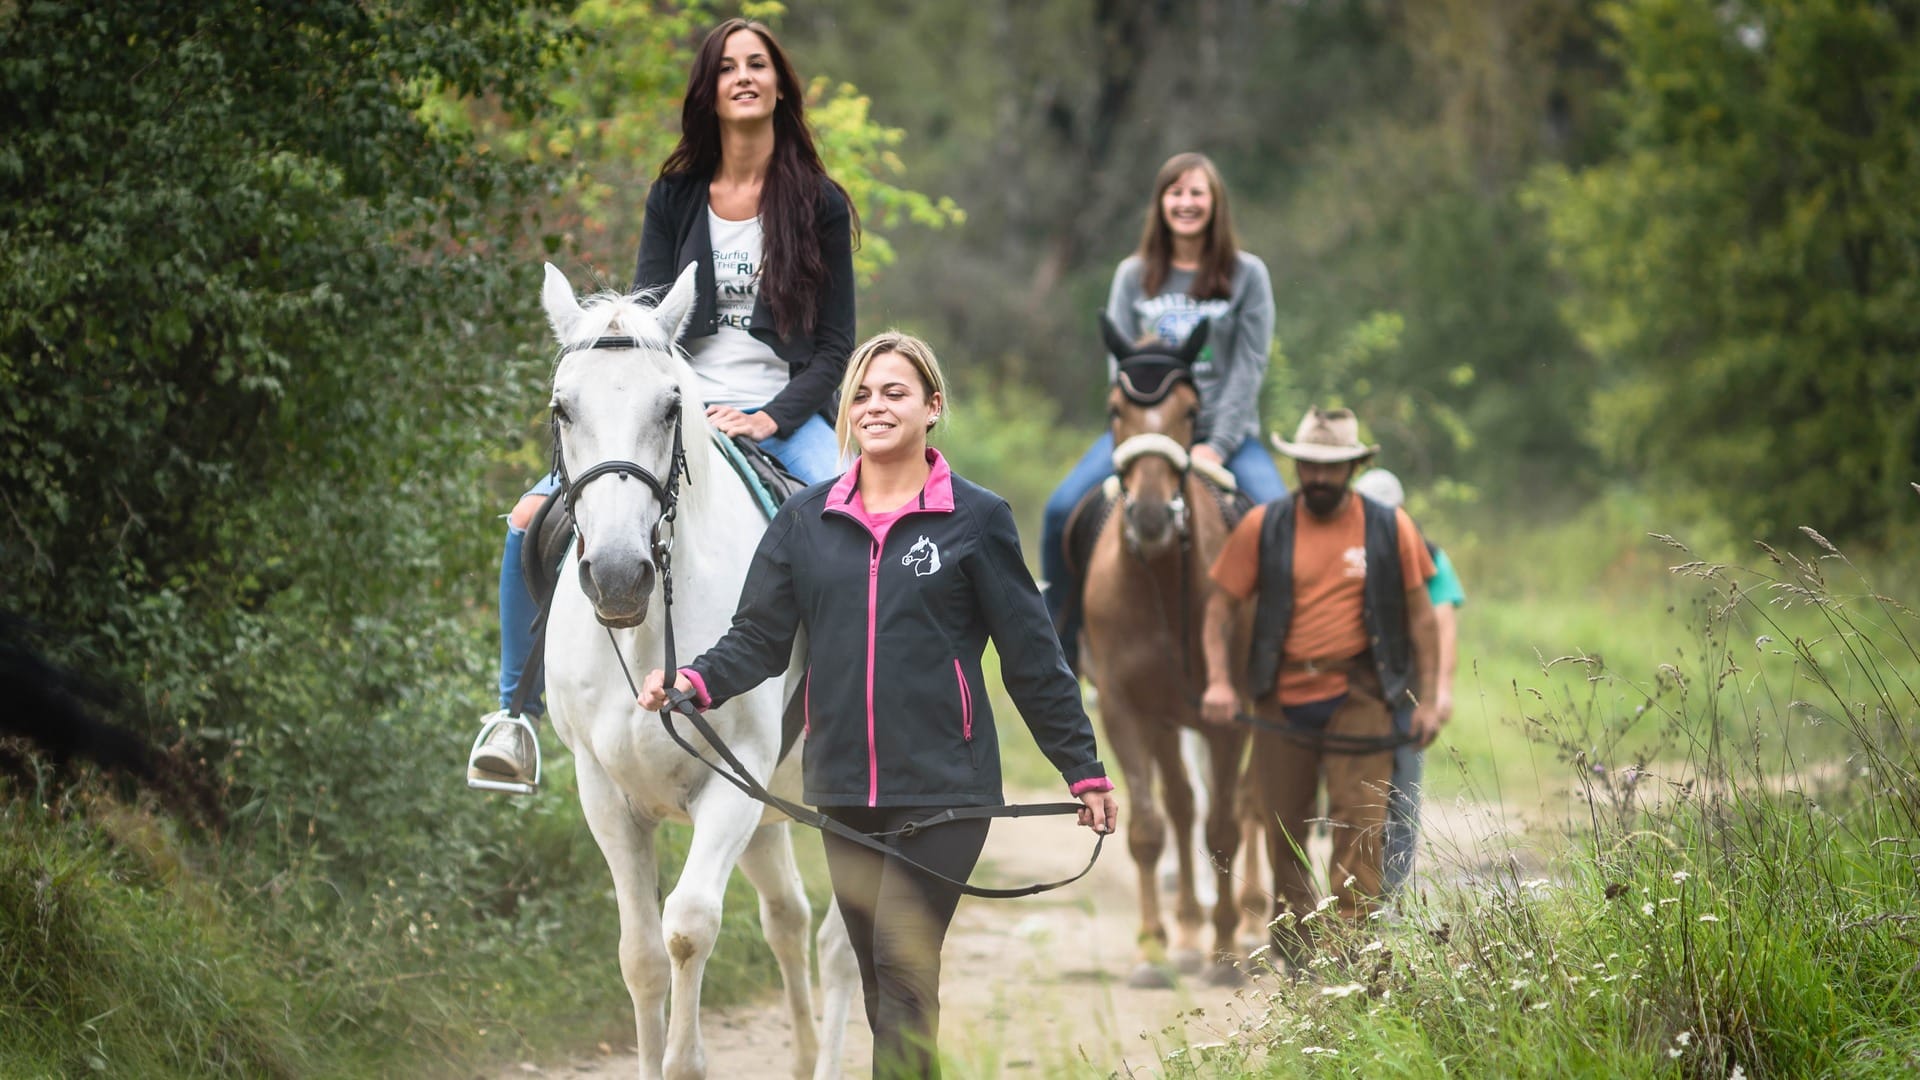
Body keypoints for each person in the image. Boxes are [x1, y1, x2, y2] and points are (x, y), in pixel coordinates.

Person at [638, 332, 1118, 1079]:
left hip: (945, 789)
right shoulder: (805, 520)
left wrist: (1081, 769)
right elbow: (759, 639)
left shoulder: (976, 519)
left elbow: (1031, 656)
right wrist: (694, 683)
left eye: (895, 392)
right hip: (844, 791)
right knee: (879, 983)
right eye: (861, 393)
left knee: (903, 964)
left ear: (933, 407)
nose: (874, 406)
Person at [470, 18, 858, 788]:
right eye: (727, 67)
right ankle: (515, 715)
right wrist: (675, 400)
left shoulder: (818, 202)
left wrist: (770, 417)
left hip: (782, 411)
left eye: (758, 64)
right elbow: (647, 323)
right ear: (708, 90)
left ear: (779, 85)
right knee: (526, 523)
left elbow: (836, 348)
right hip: (669, 407)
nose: (743, 76)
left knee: (848, 535)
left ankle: (841, 724)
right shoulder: (675, 195)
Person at [1198, 407, 1440, 968]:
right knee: (1282, 831)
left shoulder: (1389, 527)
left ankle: (1350, 960)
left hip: (1362, 697)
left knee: (1360, 829)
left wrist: (1430, 696)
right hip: (1280, 699)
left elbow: (1423, 617)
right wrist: (1217, 681)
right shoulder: (1265, 526)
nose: (1320, 477)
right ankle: (1301, 953)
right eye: (1309, 465)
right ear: (1296, 465)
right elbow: (1219, 609)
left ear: (1356, 466)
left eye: (1332, 467)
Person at [1041, 152, 1286, 672]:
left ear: (1215, 202)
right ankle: (1065, 641)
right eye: (1176, 193)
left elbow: (1250, 365)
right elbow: (1119, 368)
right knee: (1061, 510)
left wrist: (1215, 443)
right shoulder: (1134, 275)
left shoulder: (1248, 275)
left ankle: (1280, 652)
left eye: (1197, 192)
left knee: (1278, 518)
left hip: (1223, 435)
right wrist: (1138, 436)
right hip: (1141, 432)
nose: (1186, 203)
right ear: (1161, 204)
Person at [1352, 467, 1465, 898]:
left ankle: (1390, 900)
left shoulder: (1428, 556)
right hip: (1352, 693)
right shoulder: (1338, 553)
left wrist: (1438, 696)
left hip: (1404, 695)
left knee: (1402, 797)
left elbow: (1442, 626)